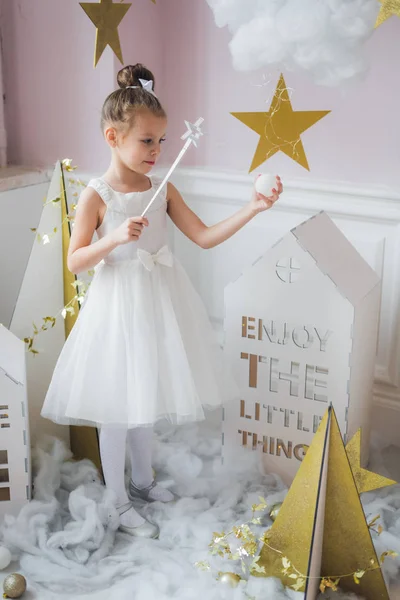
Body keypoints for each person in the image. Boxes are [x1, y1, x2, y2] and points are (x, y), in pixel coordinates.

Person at [41, 63, 283, 539]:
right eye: (146, 141)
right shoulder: (98, 194)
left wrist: (253, 208)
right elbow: (75, 262)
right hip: (117, 305)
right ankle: (115, 500)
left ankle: (143, 480)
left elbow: (205, 237)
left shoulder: (162, 187)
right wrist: (113, 240)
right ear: (113, 137)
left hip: (159, 300)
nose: (156, 151)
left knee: (144, 395)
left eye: (162, 141)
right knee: (117, 404)